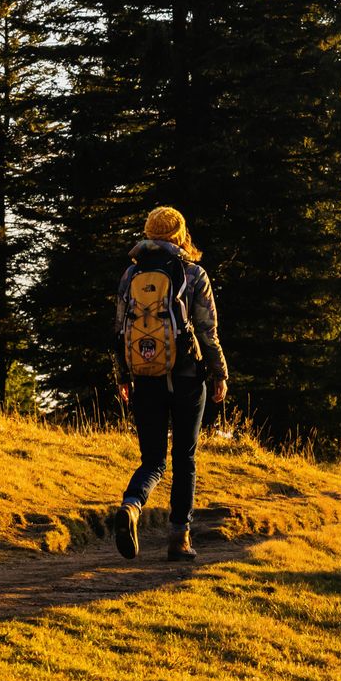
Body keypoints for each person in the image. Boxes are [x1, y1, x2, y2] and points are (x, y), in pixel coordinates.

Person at [113, 206, 229, 562]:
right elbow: (207, 332)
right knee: (185, 458)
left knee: (152, 460)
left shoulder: (131, 273)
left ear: (149, 234)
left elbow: (119, 330)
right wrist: (220, 372)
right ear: (180, 235)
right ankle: (179, 539)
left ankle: (132, 506)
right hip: (187, 377)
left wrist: (122, 376)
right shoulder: (193, 274)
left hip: (145, 375)